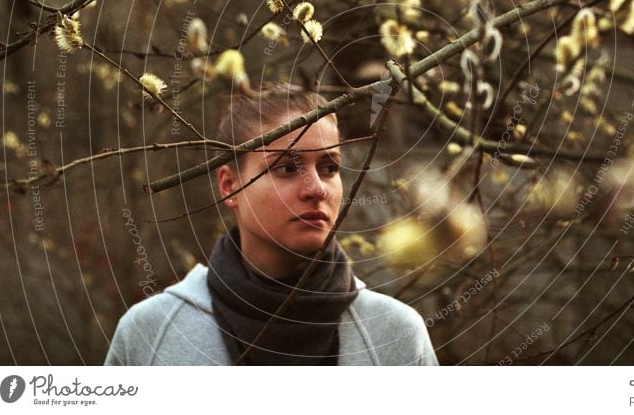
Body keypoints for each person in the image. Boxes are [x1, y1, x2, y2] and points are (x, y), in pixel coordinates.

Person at [105, 86, 438, 365]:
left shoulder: (395, 334)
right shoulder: (151, 332)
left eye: (329, 167)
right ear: (229, 186)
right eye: (286, 169)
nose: (317, 189)